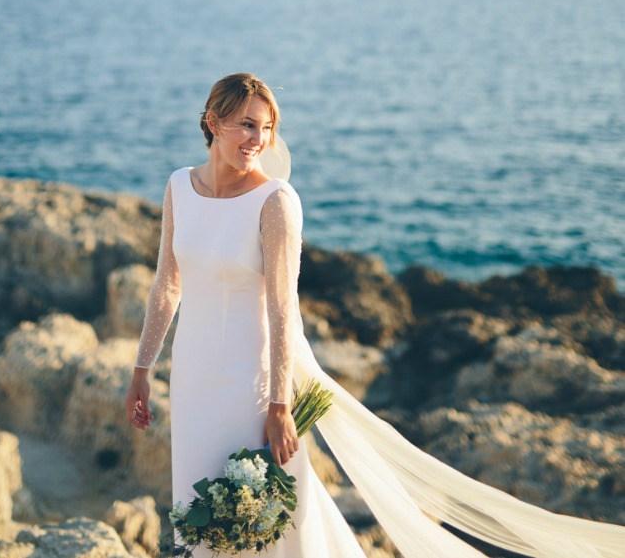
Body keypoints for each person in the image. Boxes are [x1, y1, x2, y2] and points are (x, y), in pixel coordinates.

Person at [125, 72, 625, 558]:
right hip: (192, 378)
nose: (259, 139)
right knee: (199, 505)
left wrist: (279, 404)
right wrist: (142, 370)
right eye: (246, 125)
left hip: (249, 384)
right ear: (213, 122)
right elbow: (168, 285)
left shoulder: (275, 201)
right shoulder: (179, 187)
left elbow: (282, 309)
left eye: (267, 126)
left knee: (266, 514)